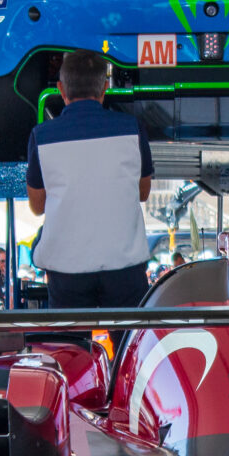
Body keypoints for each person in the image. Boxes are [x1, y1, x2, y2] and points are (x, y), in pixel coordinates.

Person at [26, 50, 153, 323]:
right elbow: (142, 193)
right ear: (104, 87)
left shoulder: (42, 136)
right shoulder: (132, 128)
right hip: (125, 267)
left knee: (72, 353)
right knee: (129, 354)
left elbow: (37, 207)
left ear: (60, 89)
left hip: (67, 270)